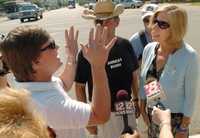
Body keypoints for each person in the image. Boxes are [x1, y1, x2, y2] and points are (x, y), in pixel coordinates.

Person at [0, 25, 117, 138]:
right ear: (35, 62)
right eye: (51, 45)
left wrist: (72, 56)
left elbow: (63, 83)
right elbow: (99, 115)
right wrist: (98, 66)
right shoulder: (48, 106)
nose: (57, 47)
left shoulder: (26, 85)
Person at [75, 0, 140, 137]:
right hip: (102, 114)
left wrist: (136, 101)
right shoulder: (86, 52)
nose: (103, 25)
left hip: (127, 108)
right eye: (99, 21)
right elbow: (79, 87)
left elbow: (134, 76)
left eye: (107, 20)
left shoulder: (125, 45)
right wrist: (88, 120)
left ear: (117, 22)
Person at [139, 5, 199, 138]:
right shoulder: (149, 49)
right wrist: (142, 107)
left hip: (175, 123)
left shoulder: (189, 56)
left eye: (162, 24)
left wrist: (183, 128)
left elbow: (190, 98)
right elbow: (146, 80)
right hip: (152, 117)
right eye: (155, 21)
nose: (153, 27)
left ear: (176, 28)